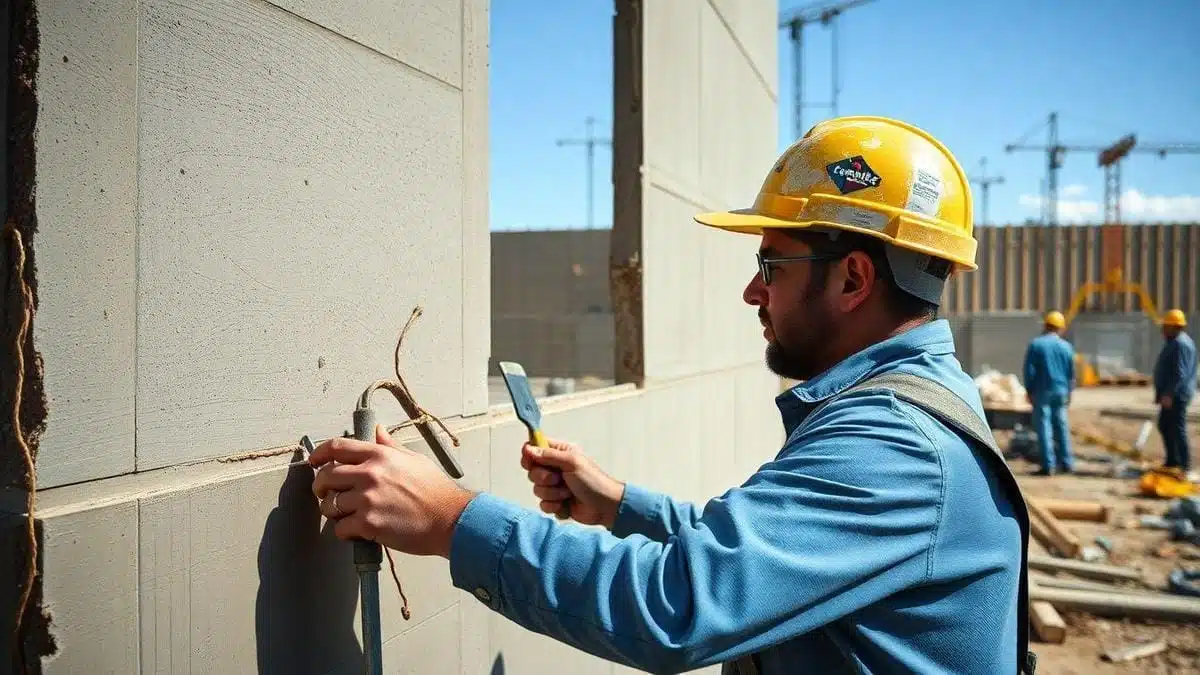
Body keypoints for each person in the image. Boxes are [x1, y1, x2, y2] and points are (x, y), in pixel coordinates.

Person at [307, 117, 1032, 674]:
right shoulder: (902, 410)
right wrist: (620, 505)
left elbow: (676, 603)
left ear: (852, 280)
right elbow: (761, 557)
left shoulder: (895, 446)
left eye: (770, 264)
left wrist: (449, 518)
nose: (753, 289)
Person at [1021, 310, 1076, 475]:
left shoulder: (1036, 345)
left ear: (1046, 326)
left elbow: (1029, 370)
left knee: (1044, 427)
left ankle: (1048, 465)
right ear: (1061, 328)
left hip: (1042, 391)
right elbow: (1071, 374)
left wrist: (1029, 390)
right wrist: (1070, 393)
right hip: (1061, 391)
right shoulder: (1067, 347)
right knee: (1061, 426)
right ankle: (1066, 463)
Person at [1153, 309, 1196, 476]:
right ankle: (1172, 460)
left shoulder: (1180, 344)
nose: (1162, 329)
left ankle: (1184, 465)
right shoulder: (1174, 342)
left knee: (1177, 428)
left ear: (1174, 327)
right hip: (1172, 394)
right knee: (1165, 425)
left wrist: (1169, 393)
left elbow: (1180, 373)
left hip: (1177, 395)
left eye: (1165, 326)